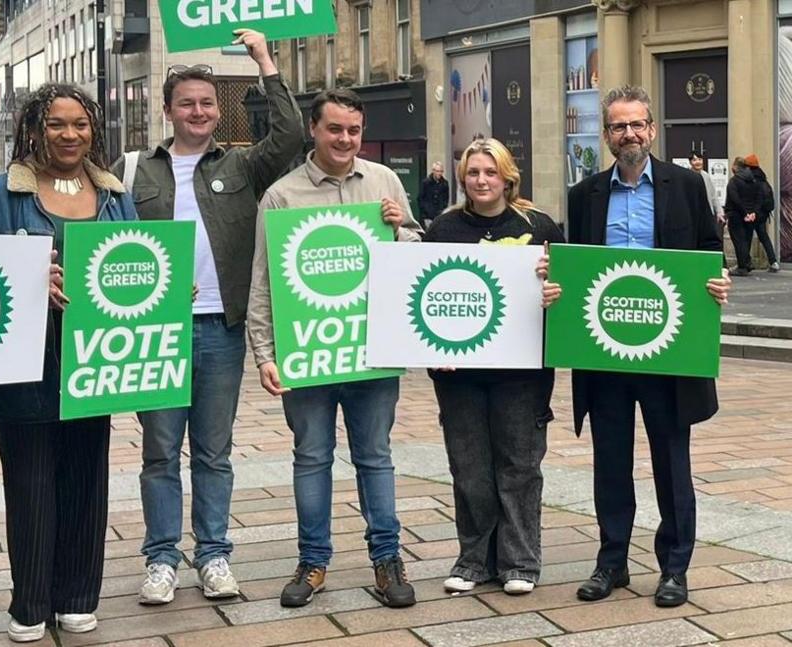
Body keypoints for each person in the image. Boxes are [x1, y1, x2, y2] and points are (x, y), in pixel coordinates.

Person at [110, 28, 303, 604]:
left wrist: (265, 60)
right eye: (187, 103)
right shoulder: (132, 170)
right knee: (160, 451)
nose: (198, 111)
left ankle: (214, 555)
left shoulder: (243, 166)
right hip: (158, 331)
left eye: (207, 103)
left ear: (219, 111)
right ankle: (161, 559)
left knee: (214, 454)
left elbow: (291, 133)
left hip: (222, 329)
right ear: (167, 110)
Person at [246, 88, 423, 608]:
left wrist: (400, 229)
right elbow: (263, 282)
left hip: (371, 349)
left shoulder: (385, 181)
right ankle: (313, 561)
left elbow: (412, 251)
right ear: (314, 130)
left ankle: (387, 560)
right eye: (334, 129)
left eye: (353, 130)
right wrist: (264, 354)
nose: (345, 139)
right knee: (311, 457)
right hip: (309, 351)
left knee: (376, 458)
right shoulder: (281, 195)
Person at [0, 83, 137, 643]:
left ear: (94, 129)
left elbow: (136, 254)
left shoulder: (115, 194)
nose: (70, 135)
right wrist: (27, 283)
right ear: (34, 129)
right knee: (30, 481)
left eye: (81, 124)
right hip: (27, 358)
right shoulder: (0, 194)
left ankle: (76, 596)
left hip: (97, 357)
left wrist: (165, 288)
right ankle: (30, 603)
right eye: (56, 124)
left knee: (87, 478)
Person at [560, 85, 730, 608]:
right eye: (618, 126)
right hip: (606, 350)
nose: (628, 134)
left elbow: (707, 250)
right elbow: (575, 266)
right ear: (606, 134)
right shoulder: (583, 193)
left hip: (668, 351)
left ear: (652, 130)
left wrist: (717, 280)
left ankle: (674, 568)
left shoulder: (686, 184)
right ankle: (611, 562)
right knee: (609, 461)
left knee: (671, 462)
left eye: (637, 125)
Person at [423, 138, 564, 596]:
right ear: (462, 179)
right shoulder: (443, 229)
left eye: (490, 172)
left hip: (522, 374)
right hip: (459, 375)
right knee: (469, 468)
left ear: (507, 177)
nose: (481, 181)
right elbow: (425, 297)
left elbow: (568, 290)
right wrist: (430, 355)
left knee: (519, 467)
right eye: (473, 173)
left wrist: (553, 291)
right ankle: (474, 560)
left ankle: (521, 561)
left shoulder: (539, 226)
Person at [418, 161, 450, 229]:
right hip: (427, 215)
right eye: (437, 171)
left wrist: (443, 209)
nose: (439, 173)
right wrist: (425, 211)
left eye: (441, 171)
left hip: (439, 214)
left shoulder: (445, 184)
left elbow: (446, 199)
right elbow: (420, 198)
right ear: (433, 171)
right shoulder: (426, 183)